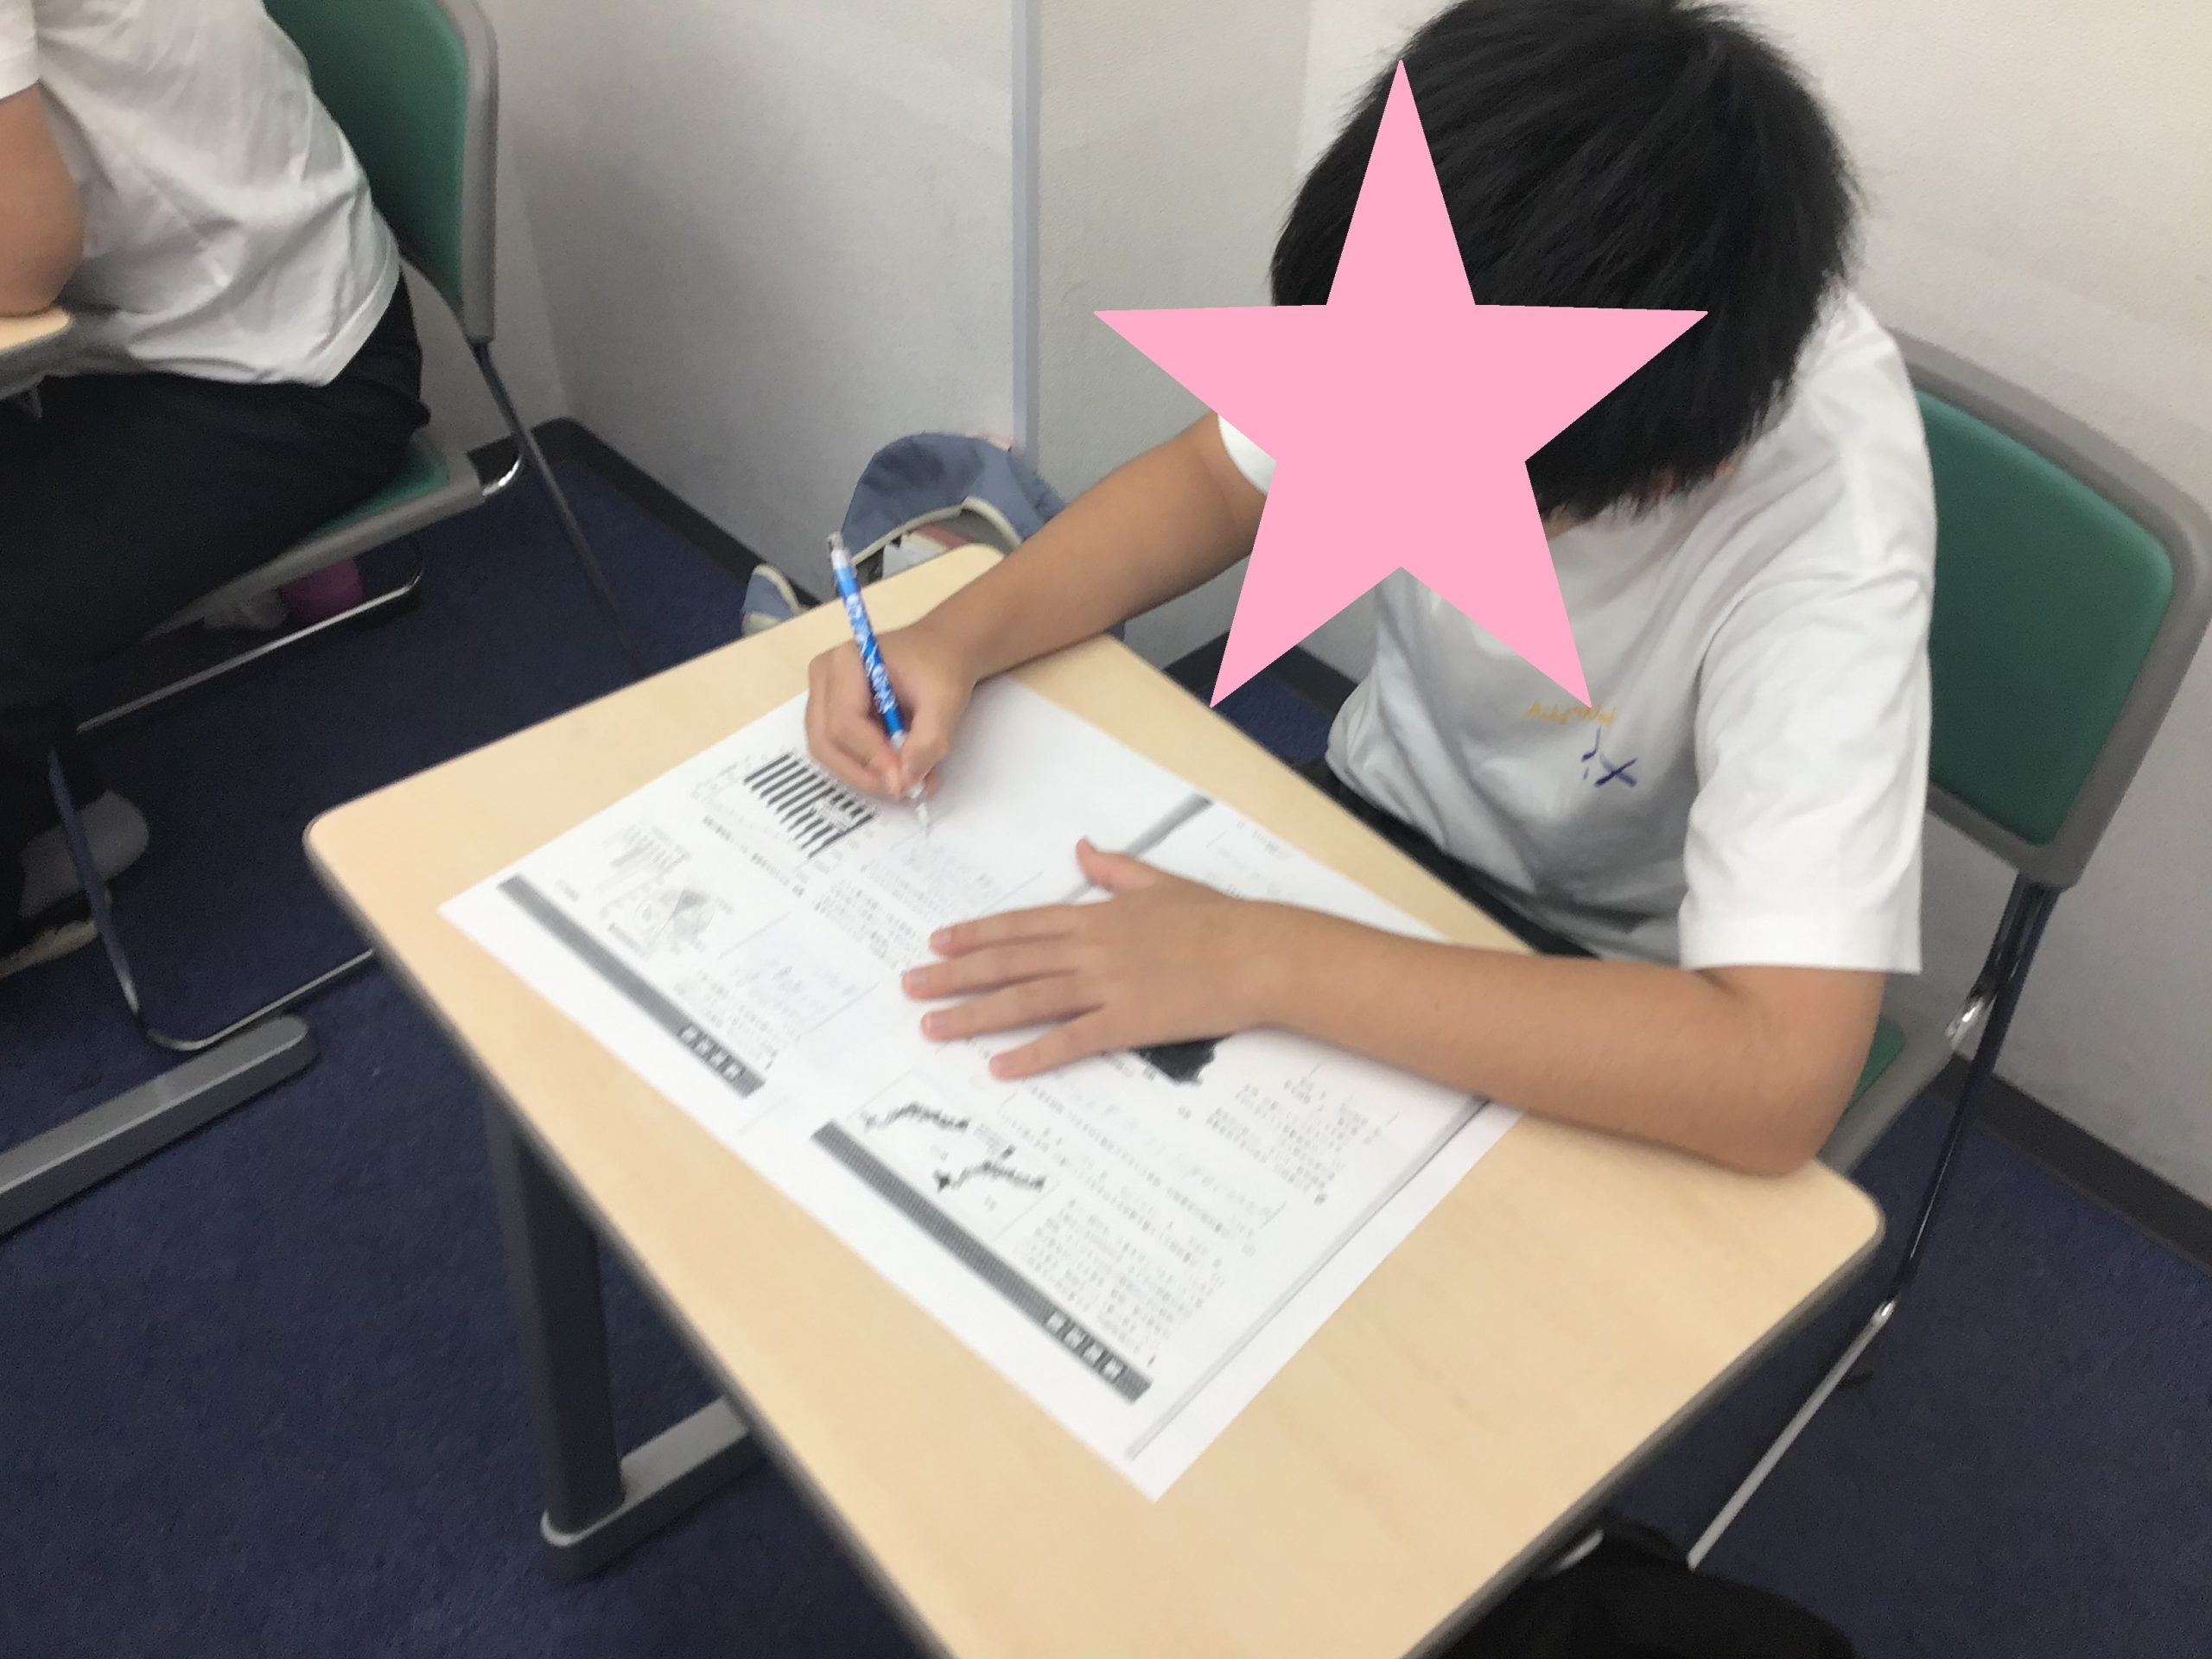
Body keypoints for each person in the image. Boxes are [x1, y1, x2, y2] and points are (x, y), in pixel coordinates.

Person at [804, 0, 1935, 1176]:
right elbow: (1215, 482)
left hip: (1603, 972)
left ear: (1672, 474)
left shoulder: (1828, 532)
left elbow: (1777, 1072)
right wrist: (956, 636)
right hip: (1369, 823)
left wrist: (1264, 961)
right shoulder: (1471, 265)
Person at [0, 0, 427, 977]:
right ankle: (62, 811)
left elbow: (23, 263)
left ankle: (42, 849)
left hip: (281, 371)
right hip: (199, 313)